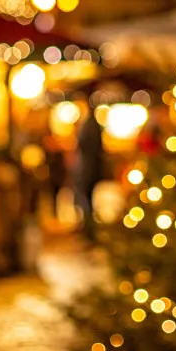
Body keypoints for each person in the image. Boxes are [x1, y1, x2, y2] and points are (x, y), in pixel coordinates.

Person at [72, 95, 107, 243]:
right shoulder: (92, 124)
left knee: (86, 198)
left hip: (88, 169)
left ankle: (89, 230)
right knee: (86, 198)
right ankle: (88, 228)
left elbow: (88, 148)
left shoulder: (90, 125)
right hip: (89, 168)